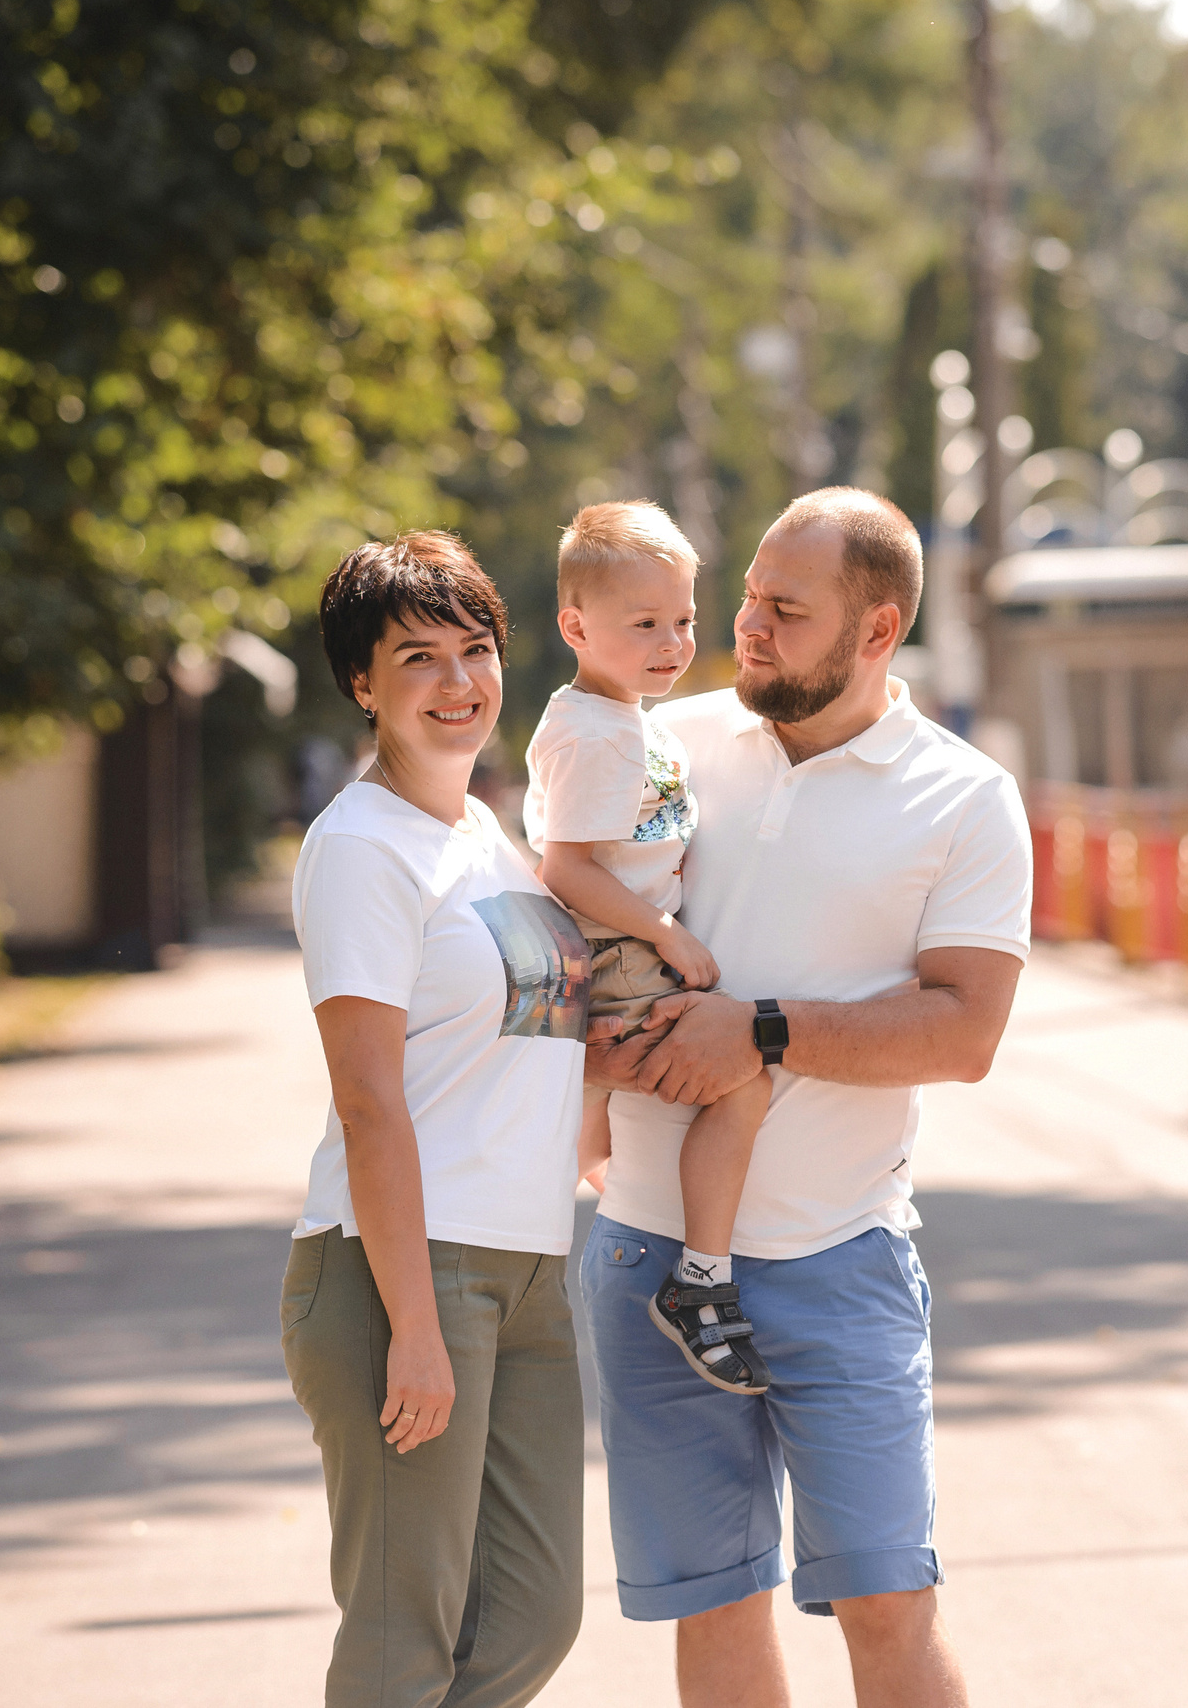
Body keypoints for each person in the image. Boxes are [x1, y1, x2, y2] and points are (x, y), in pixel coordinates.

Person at [580, 488, 1033, 1707]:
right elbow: (564, 909)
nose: (748, 626)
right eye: (747, 597)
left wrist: (762, 1031)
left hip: (841, 1257)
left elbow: (968, 1030)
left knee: (889, 1601)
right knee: (713, 1602)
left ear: (876, 631)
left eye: (786, 608)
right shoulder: (658, 741)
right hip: (645, 1251)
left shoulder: (966, 797)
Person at [281, 531, 588, 1708]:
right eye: (418, 657)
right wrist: (412, 1320)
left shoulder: (485, 838)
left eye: (475, 650)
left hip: (526, 1267)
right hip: (399, 1270)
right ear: (363, 684)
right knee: (406, 1639)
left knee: (533, 1614)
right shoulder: (361, 848)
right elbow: (368, 1099)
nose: (458, 682)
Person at [525, 500, 774, 1397]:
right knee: (745, 1079)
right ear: (576, 625)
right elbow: (568, 868)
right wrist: (664, 930)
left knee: (598, 1109)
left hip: (620, 949)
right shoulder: (594, 735)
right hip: (620, 954)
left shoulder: (618, 715)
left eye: (684, 620)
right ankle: (701, 1279)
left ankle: (587, 1180)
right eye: (645, 625)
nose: (672, 642)